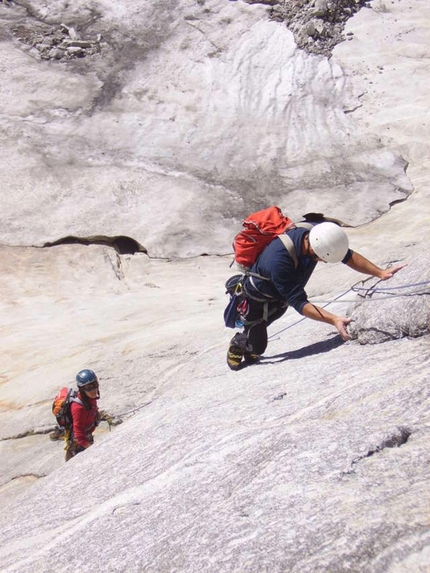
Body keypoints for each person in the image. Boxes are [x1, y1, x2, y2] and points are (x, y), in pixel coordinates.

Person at [227, 222, 405, 370]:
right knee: (258, 347)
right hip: (256, 301)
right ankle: (239, 342)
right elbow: (299, 303)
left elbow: (346, 255)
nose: (325, 262)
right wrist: (334, 319)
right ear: (314, 251)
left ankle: (251, 342)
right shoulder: (278, 262)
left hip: (279, 297)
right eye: (324, 259)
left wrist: (380, 273)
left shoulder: (317, 236)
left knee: (257, 339)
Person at [65, 369, 101, 461]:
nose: (93, 390)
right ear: (82, 389)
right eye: (88, 387)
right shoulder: (78, 408)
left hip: (86, 436)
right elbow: (78, 433)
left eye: (95, 385)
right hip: (78, 445)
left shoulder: (90, 399)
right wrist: (90, 448)